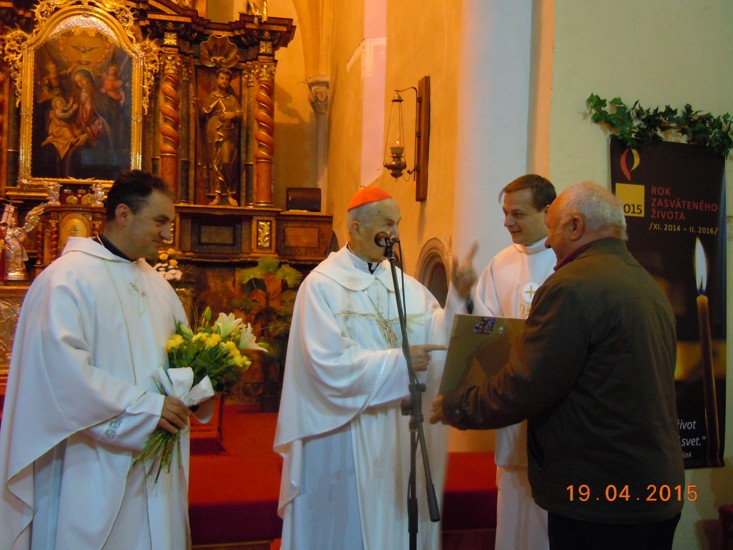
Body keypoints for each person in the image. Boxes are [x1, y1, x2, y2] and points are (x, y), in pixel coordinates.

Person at [431, 182, 685, 550]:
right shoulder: (647, 285)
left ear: (576, 226)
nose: (549, 242)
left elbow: (528, 383)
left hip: (597, 492)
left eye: (553, 229)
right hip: (654, 486)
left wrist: (458, 406)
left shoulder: (570, 286)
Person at [0, 170, 212, 549]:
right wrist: (146, 409)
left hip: (154, 462)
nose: (167, 234)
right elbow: (61, 375)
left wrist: (202, 386)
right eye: (160, 221)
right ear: (123, 214)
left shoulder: (158, 286)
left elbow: (180, 359)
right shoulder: (66, 280)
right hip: (88, 462)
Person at [275, 187, 477, 549]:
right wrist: (400, 364)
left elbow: (437, 336)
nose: (395, 234)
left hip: (397, 432)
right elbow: (326, 364)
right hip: (344, 431)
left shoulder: (405, 287)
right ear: (356, 228)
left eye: (397, 223)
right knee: (347, 528)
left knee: (394, 523)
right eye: (387, 224)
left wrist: (459, 297)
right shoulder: (321, 287)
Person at [472, 174, 556, 550]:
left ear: (548, 212)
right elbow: (481, 328)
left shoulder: (567, 260)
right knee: (512, 511)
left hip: (553, 410)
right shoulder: (499, 264)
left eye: (518, 214)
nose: (507, 222)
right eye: (505, 213)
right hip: (512, 402)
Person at [201, 67, 241, 206]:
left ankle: (229, 193)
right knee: (214, 162)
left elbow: (240, 113)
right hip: (213, 131)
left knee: (227, 160)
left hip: (227, 132)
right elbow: (203, 114)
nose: (224, 81)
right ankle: (217, 194)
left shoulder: (231, 99)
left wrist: (232, 114)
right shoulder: (211, 97)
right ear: (217, 80)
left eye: (227, 79)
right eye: (222, 78)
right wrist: (196, 106)